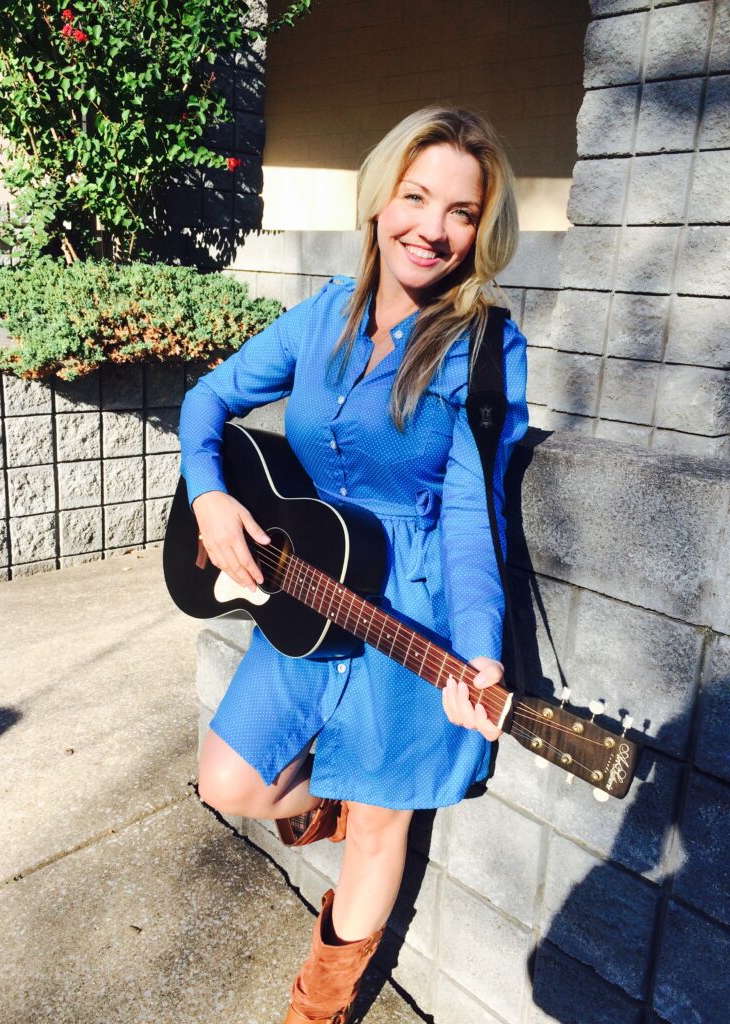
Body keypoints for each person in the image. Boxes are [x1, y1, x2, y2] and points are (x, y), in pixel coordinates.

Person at [178, 106, 528, 1024]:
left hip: (412, 607)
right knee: (231, 781)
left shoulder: (482, 346)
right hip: (306, 589)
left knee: (382, 826)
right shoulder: (324, 314)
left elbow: (470, 514)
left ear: (482, 229)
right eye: (417, 197)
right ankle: (335, 794)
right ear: (380, 199)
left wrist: (481, 649)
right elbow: (208, 397)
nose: (434, 228)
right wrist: (212, 495)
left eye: (462, 211)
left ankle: (317, 1008)